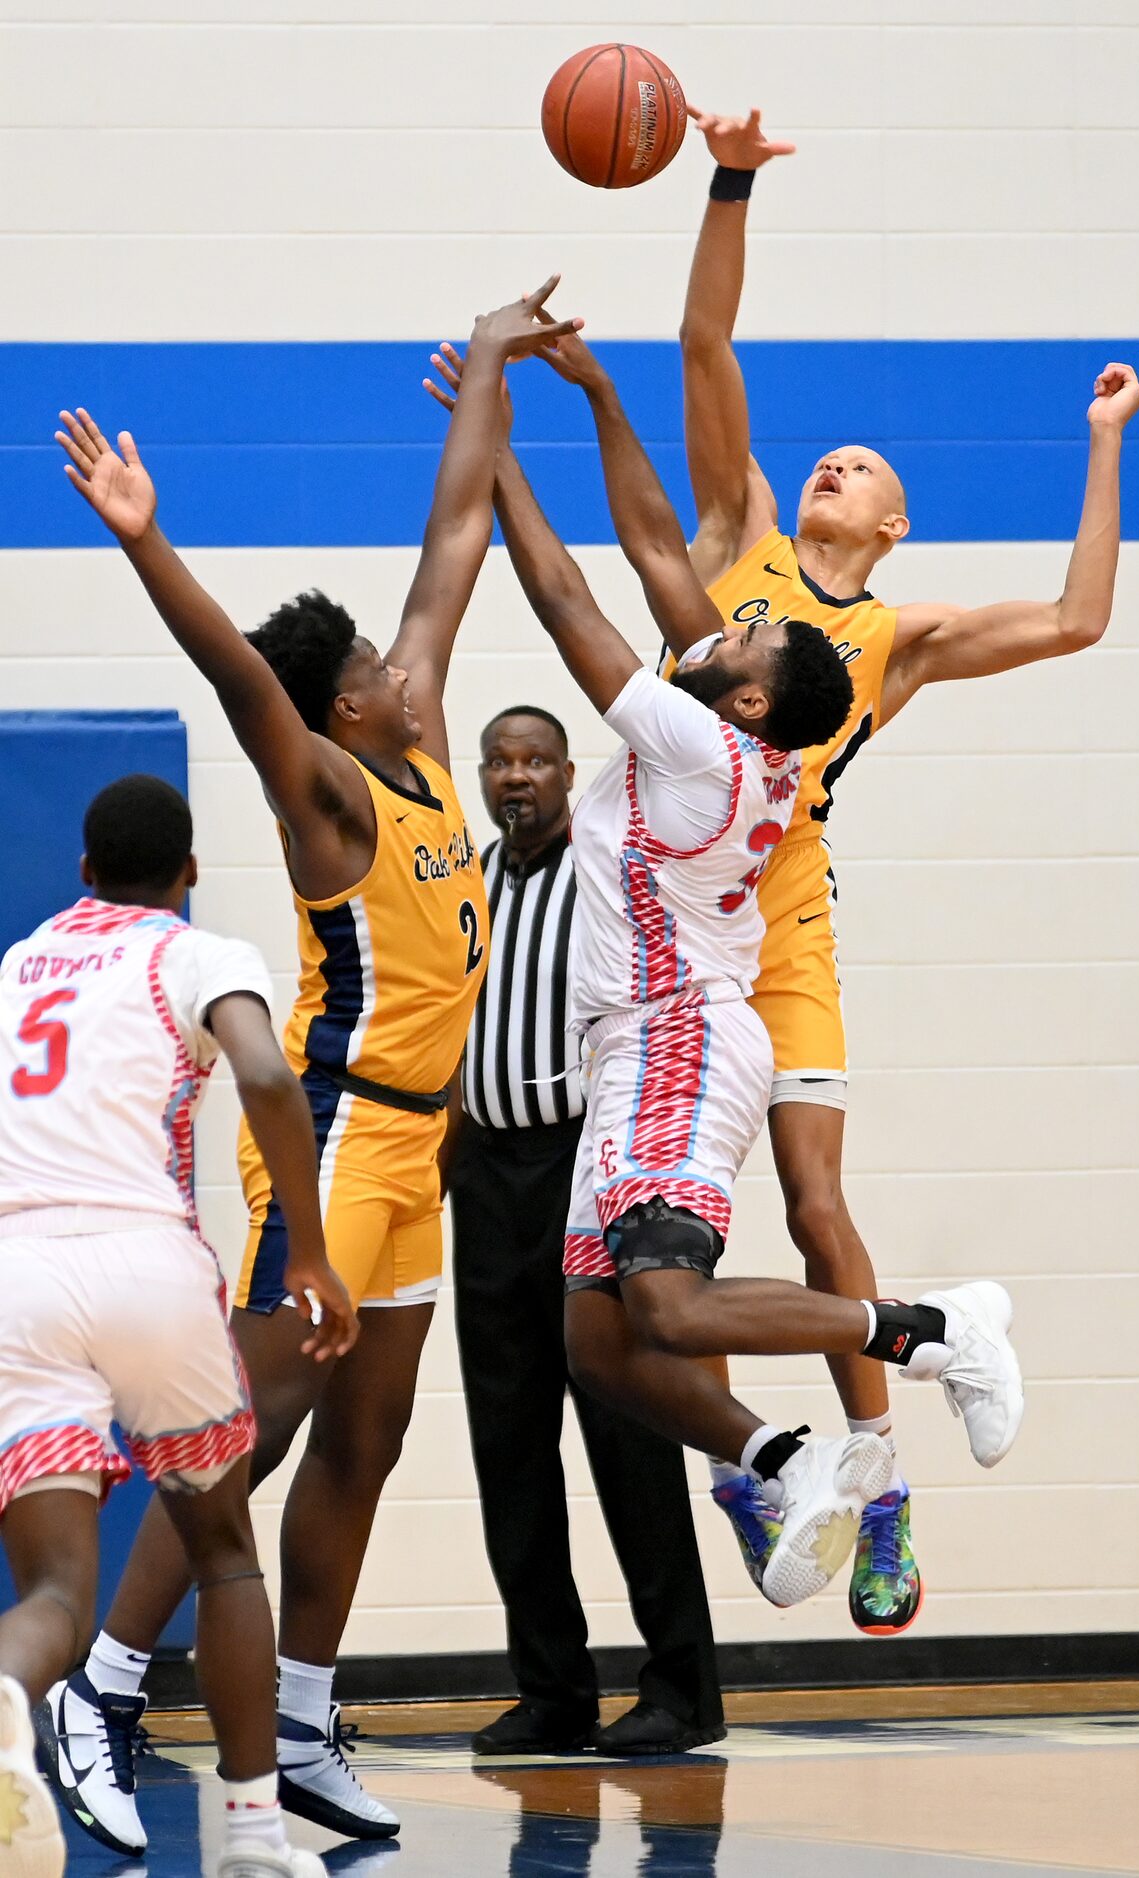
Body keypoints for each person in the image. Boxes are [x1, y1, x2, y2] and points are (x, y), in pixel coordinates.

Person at [46, 282, 581, 1850]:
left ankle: (294, 1716)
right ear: (344, 698)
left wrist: (486, 359)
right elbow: (240, 674)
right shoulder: (332, 793)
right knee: (251, 1417)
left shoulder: (414, 748)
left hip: (422, 1155)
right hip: (337, 1139)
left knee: (366, 1437)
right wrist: (149, 541)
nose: (415, 662)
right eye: (380, 660)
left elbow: (458, 534)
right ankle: (104, 1679)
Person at [425, 326, 1023, 1610]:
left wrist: (491, 450)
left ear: (747, 704)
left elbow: (566, 600)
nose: (712, 639)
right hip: (626, 1048)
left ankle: (925, 1329)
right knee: (600, 1346)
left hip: (681, 1043)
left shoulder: (698, 743)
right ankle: (779, 1455)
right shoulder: (723, 729)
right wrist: (516, 441)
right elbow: (637, 555)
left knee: (672, 1312)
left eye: (737, 649)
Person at [670, 105, 1139, 1634]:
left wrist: (1100, 446)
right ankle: (763, 1463)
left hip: (781, 907)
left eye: (862, 466)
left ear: (891, 524)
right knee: (648, 1239)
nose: (837, 462)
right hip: (666, 904)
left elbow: (1077, 623)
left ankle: (876, 1471)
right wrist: (728, 176)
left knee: (813, 1202)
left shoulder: (905, 638)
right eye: (830, 453)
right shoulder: (736, 528)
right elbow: (702, 339)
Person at [0, 774, 356, 1878]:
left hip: (17, 1274)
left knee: (57, 1592)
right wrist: (306, 1248)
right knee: (223, 1549)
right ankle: (252, 1834)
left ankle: (10, 1696)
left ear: (81, 873)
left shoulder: (18, 966)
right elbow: (262, 1069)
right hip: (145, 1266)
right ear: (190, 872)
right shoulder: (198, 953)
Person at [446, 704, 723, 1758]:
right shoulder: (466, 877)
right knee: (506, 1439)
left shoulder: (608, 870)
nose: (516, 778)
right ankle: (551, 1688)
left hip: (584, 1166)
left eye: (535, 761)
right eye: (500, 763)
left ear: (568, 773)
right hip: (485, 1174)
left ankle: (681, 1688)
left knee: (626, 1427)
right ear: (481, 776)